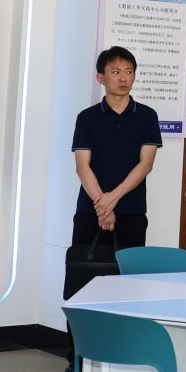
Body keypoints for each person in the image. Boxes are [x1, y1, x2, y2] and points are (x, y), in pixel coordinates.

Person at [72, 46, 161, 252]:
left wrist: (111, 199)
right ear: (100, 78)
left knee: (129, 271)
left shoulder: (148, 116)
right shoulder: (86, 117)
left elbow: (146, 164)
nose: (123, 78)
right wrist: (102, 206)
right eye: (115, 72)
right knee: (85, 271)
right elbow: (82, 167)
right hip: (90, 211)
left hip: (132, 211)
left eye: (129, 71)